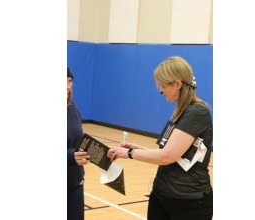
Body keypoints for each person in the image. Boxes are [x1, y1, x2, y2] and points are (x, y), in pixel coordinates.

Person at [107, 56, 213, 220]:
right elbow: (172, 154)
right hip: (163, 194)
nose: (161, 90)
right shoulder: (181, 111)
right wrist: (136, 149)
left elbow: (168, 157)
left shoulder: (197, 112)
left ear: (177, 84)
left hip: (188, 201)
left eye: (163, 85)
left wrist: (129, 154)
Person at [67, 67, 90, 220]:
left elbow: (77, 140)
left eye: (70, 81)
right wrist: (70, 156)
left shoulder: (72, 107)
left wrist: (99, 153)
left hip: (75, 183)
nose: (68, 86)